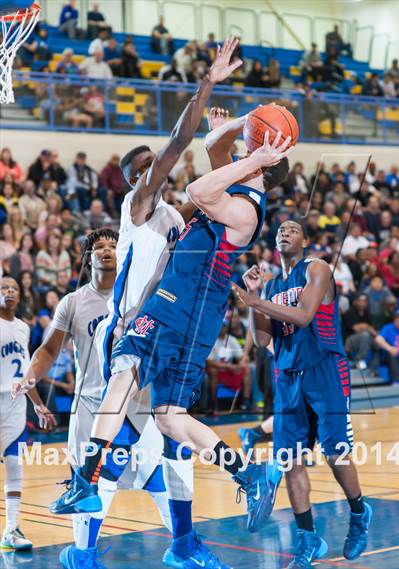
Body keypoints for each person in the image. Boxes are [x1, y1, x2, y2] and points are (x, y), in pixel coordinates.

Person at [33, 39, 243, 569]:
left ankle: (183, 541)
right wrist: (207, 84)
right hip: (127, 332)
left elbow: (219, 195)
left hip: (164, 333)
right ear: (134, 180)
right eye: (148, 166)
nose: (159, 168)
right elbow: (177, 143)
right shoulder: (138, 204)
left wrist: (225, 142)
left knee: (171, 432)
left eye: (156, 165)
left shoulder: (178, 215)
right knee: (127, 436)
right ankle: (86, 533)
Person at [14, 230, 174, 568]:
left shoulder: (139, 295)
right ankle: (83, 556)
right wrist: (31, 377)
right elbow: (48, 350)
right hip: (90, 406)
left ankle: (185, 546)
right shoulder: (72, 302)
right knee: (87, 485)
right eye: (99, 247)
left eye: (113, 246)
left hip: (136, 405)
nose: (106, 251)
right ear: (88, 258)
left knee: (159, 477)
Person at [234, 220, 372, 568]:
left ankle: (359, 513)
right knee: (290, 460)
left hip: (325, 369)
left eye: (293, 229)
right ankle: (308, 539)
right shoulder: (273, 284)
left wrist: (258, 301)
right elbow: (263, 341)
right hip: (288, 376)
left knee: (334, 452)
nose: (285, 232)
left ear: (305, 241)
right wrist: (256, 301)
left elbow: (305, 315)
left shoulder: (317, 268)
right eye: (281, 229)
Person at [0, 277, 40, 550]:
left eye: (14, 288)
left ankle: (11, 530)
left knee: (15, 467)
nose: (10, 291)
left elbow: (26, 370)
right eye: (4, 287)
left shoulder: (24, 329)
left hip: (16, 402)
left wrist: (37, 402)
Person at [342, 292, 377, 370]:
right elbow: (355, 328)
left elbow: (373, 329)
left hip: (365, 339)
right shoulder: (350, 312)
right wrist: (367, 327)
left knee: (379, 342)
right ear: (356, 301)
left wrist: (365, 326)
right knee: (365, 334)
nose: (362, 303)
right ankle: (359, 360)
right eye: (360, 301)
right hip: (350, 340)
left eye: (364, 301)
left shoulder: (367, 313)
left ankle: (374, 368)